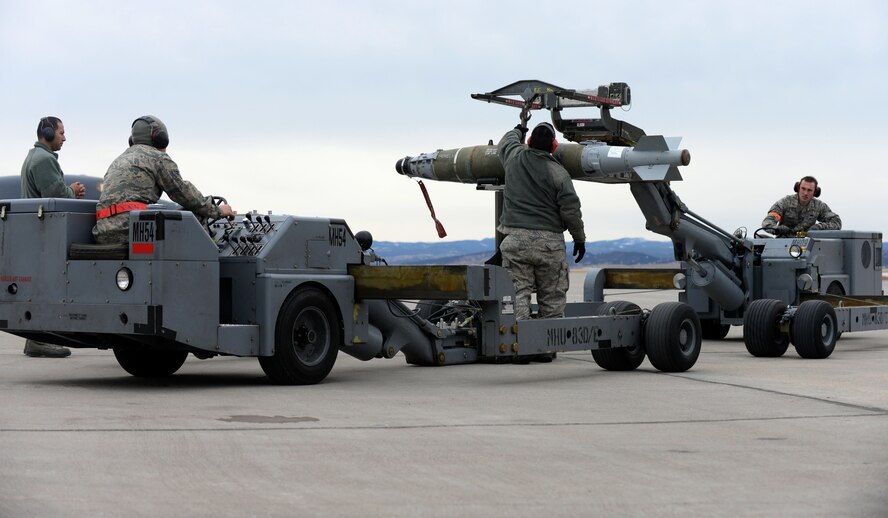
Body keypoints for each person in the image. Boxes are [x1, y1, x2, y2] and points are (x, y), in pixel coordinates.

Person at [93, 115, 234, 244]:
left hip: (103, 233)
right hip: (133, 231)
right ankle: (210, 263)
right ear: (159, 137)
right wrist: (217, 210)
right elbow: (184, 194)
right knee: (195, 213)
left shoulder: (118, 160)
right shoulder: (158, 158)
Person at [497, 121, 586, 322]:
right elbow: (571, 210)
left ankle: (519, 343)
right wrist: (579, 239)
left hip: (515, 241)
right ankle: (547, 345)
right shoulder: (559, 173)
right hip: (550, 245)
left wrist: (517, 130)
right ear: (554, 147)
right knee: (552, 299)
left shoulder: (513, 158)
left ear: (528, 142)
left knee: (517, 295)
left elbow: (506, 142)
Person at [20, 116, 85, 357]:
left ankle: (34, 339)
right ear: (47, 133)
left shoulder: (34, 157)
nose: (64, 138)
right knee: (44, 286)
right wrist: (74, 191)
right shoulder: (44, 160)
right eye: (61, 133)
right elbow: (55, 195)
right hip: (43, 232)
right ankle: (37, 341)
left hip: (35, 231)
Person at [761, 176, 841, 236]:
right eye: (803, 189)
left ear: (815, 192)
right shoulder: (784, 202)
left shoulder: (819, 206)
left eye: (809, 190)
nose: (805, 193)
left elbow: (836, 222)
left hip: (807, 245)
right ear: (798, 188)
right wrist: (777, 229)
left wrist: (819, 227)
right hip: (783, 243)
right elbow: (767, 222)